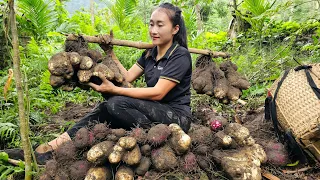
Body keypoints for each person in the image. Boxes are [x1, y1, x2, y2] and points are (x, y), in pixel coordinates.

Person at [6, 2, 192, 164]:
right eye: (151, 24)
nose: (153, 31)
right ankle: (49, 148)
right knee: (106, 106)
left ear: (175, 29)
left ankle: (155, 136)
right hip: (152, 109)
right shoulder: (149, 53)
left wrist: (114, 89)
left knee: (116, 103)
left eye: (160, 25)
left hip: (175, 116)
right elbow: (127, 77)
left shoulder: (180, 55)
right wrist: (109, 53)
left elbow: (158, 92)